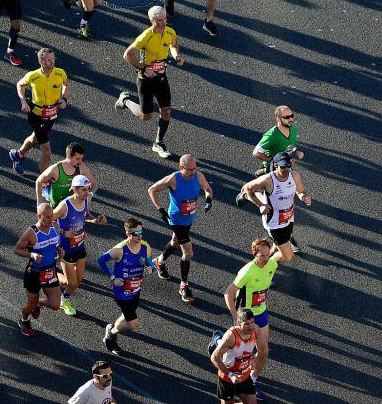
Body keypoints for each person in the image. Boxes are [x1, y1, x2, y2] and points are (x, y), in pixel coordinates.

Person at [115, 5, 183, 160]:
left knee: (166, 111)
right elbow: (127, 55)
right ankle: (125, 100)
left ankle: (159, 143)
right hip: (145, 81)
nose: (163, 22)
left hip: (161, 78)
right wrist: (143, 68)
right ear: (152, 21)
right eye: (159, 20)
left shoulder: (170, 32)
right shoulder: (145, 36)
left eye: (165, 19)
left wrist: (176, 56)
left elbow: (173, 45)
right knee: (146, 116)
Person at [148, 154, 213, 304]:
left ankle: (159, 261)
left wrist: (209, 199)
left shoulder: (198, 175)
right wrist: (160, 209)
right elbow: (152, 189)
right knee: (188, 253)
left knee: (175, 242)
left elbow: (208, 189)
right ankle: (184, 285)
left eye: (194, 168)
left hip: (188, 219)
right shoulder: (174, 178)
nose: (192, 172)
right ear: (181, 168)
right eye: (189, 170)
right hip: (176, 220)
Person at [223, 238, 277, 401]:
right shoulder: (247, 271)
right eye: (262, 256)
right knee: (242, 354)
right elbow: (228, 293)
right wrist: (235, 317)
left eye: (268, 255)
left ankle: (251, 382)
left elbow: (285, 254)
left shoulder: (272, 265)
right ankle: (232, 381)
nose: (266, 259)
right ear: (254, 254)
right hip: (246, 318)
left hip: (261, 314)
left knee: (263, 351)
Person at [240, 152, 312, 264]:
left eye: (289, 166)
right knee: (288, 257)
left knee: (277, 247)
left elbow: (301, 191)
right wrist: (260, 205)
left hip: (288, 218)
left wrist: (304, 197)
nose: (286, 169)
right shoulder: (268, 180)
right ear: (276, 165)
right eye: (283, 166)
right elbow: (247, 187)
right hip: (274, 224)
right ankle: (264, 267)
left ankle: (266, 257)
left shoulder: (295, 176)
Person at [97, 217, 154, 355]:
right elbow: (101, 260)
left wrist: (151, 268)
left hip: (136, 290)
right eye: (135, 233)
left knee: (126, 316)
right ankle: (111, 333)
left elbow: (149, 262)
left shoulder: (145, 247)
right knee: (133, 324)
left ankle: (111, 329)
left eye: (141, 232)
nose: (139, 236)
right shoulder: (119, 250)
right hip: (122, 293)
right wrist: (112, 278)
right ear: (128, 234)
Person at [51, 176, 105, 317]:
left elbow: (85, 216)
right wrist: (63, 232)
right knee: (72, 283)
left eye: (88, 189)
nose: (87, 192)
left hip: (79, 245)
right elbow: (48, 219)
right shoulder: (65, 205)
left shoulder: (86, 200)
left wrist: (95, 220)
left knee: (77, 281)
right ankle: (64, 300)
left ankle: (52, 274)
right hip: (65, 248)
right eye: (83, 190)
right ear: (74, 189)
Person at [8, 48, 68, 173]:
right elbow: (20, 84)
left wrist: (64, 99)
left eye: (53, 59)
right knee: (47, 152)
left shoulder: (60, 73)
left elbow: (66, 84)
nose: (52, 62)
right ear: (41, 62)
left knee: (34, 138)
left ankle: (18, 155)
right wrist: (23, 101)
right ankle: (44, 182)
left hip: (52, 115)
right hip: (36, 114)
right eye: (48, 60)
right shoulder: (33, 75)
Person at [13, 204, 62, 337]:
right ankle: (24, 320)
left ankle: (37, 304)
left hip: (50, 271)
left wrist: (59, 250)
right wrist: (31, 255)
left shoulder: (54, 226)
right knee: (30, 303)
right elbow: (16, 249)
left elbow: (55, 243)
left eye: (52, 216)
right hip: (34, 273)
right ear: (38, 216)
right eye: (47, 217)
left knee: (56, 304)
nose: (50, 219)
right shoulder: (31, 232)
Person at [211, 308, 259, 404]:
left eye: (252, 322)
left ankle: (218, 342)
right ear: (238, 322)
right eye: (246, 324)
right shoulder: (231, 336)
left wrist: (253, 357)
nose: (250, 327)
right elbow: (214, 357)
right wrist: (231, 375)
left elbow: (257, 348)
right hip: (227, 378)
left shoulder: (255, 330)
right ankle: (217, 342)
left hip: (244, 376)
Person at [34, 142, 98, 207]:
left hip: (73, 207)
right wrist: (39, 203)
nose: (80, 161)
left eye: (81, 158)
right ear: (69, 156)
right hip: (55, 208)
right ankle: (47, 191)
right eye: (77, 159)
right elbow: (39, 181)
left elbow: (94, 184)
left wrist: (90, 195)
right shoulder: (55, 169)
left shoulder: (82, 168)